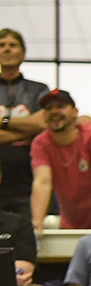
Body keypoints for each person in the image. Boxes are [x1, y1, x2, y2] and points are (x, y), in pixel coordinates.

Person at [28, 89, 91, 232]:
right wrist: (37, 223)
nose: (54, 112)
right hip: (69, 225)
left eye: (60, 106)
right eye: (49, 108)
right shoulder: (40, 143)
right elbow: (42, 182)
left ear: (75, 112)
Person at [0, 29, 49, 219]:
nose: (7, 50)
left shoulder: (38, 89)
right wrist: (26, 130)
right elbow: (35, 124)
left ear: (23, 53)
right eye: (2, 45)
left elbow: (44, 123)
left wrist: (3, 121)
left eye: (13, 45)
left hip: (29, 181)